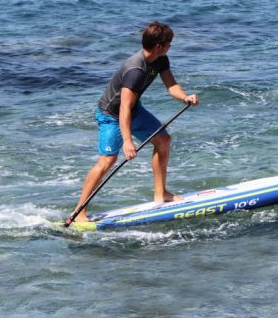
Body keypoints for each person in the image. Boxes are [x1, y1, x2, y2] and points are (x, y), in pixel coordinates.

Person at [72, 21, 198, 222]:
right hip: (111, 115)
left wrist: (185, 97)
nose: (170, 47)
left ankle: (161, 194)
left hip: (133, 109)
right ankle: (79, 211)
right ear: (158, 46)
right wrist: (128, 141)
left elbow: (171, 85)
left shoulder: (161, 59)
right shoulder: (135, 70)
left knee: (163, 140)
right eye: (168, 43)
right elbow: (123, 108)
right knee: (107, 161)